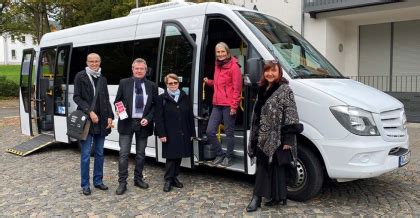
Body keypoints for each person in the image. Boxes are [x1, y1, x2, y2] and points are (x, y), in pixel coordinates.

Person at [246, 60, 303, 212]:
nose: (270, 74)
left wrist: (288, 139)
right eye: (267, 70)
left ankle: (256, 198)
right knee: (267, 166)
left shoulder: (285, 89)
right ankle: (279, 198)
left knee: (273, 167)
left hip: (278, 135)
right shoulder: (262, 88)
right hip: (261, 135)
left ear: (279, 72)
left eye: (273, 71)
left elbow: (291, 114)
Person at [114, 58, 158, 195]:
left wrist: (148, 118)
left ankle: (138, 179)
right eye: (136, 68)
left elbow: (155, 106)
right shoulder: (124, 83)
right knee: (124, 154)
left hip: (143, 123)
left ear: (146, 70)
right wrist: (119, 110)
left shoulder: (152, 86)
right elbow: (118, 101)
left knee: (140, 154)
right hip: (127, 122)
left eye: (142, 69)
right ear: (132, 69)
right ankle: (122, 182)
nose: (139, 71)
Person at [73, 53, 114, 196]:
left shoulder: (102, 78)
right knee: (85, 155)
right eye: (91, 61)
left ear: (100, 62)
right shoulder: (80, 76)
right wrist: (90, 111)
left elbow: (107, 99)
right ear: (87, 62)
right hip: (87, 121)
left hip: (101, 121)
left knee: (100, 153)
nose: (94, 64)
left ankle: (98, 181)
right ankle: (85, 184)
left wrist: (110, 116)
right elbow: (76, 97)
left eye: (97, 61)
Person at [203, 42, 242, 167]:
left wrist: (234, 106)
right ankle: (220, 154)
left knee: (229, 133)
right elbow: (219, 82)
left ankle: (228, 157)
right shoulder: (217, 65)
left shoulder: (234, 66)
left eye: (222, 51)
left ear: (227, 52)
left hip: (228, 105)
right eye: (218, 52)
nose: (220, 54)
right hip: (217, 104)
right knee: (210, 131)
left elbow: (237, 88)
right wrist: (209, 82)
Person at [155, 73, 196, 192]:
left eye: (175, 83)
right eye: (170, 83)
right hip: (169, 132)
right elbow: (159, 118)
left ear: (178, 83)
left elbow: (190, 116)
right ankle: (168, 179)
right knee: (171, 157)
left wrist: (192, 133)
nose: (173, 85)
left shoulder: (185, 96)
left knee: (179, 157)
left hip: (183, 131)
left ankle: (174, 178)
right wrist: (161, 134)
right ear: (166, 84)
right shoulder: (161, 98)